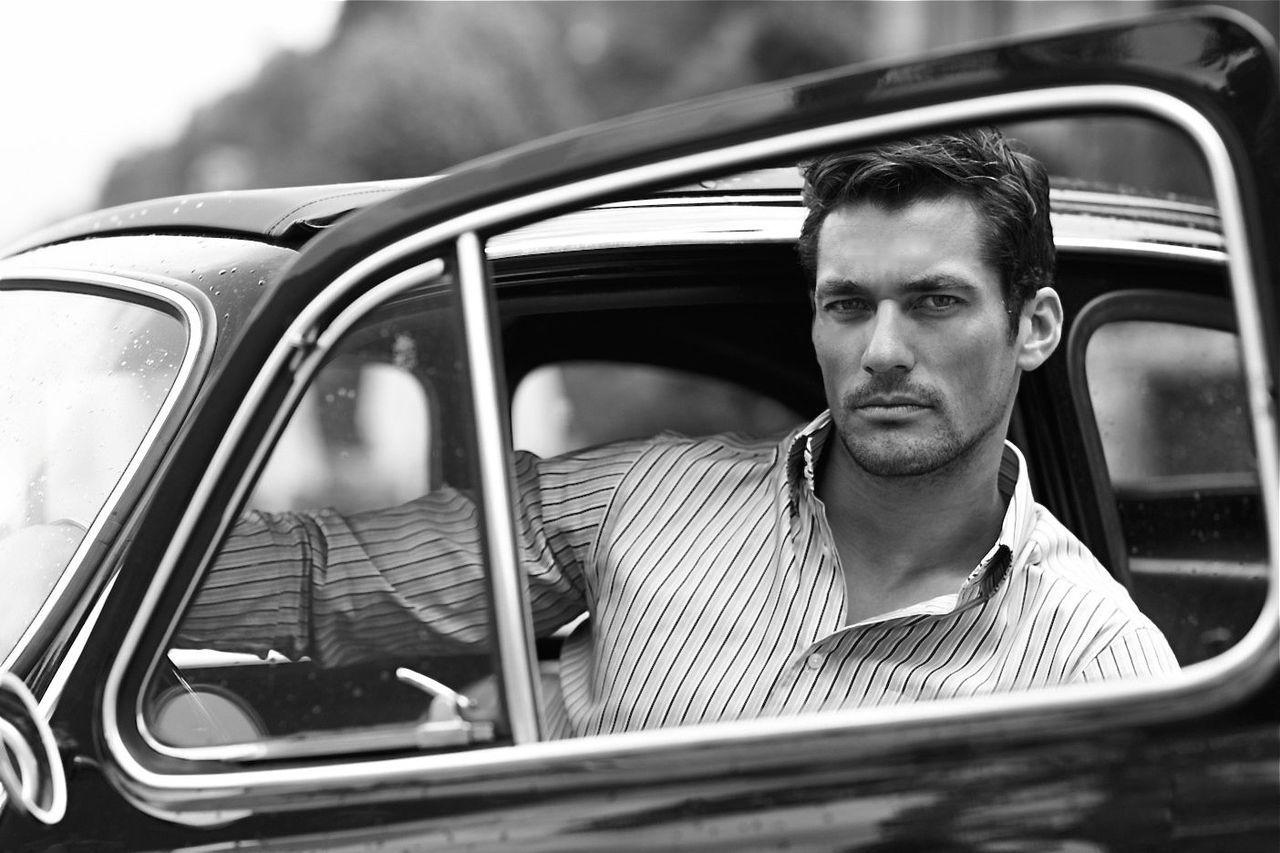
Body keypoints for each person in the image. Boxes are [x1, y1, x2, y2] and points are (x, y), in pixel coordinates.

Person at [180, 129, 1179, 738]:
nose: (881, 350)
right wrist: (73, 561)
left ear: (1033, 327)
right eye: (846, 304)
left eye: (933, 301)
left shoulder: (1097, 661)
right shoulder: (642, 497)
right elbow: (325, 577)